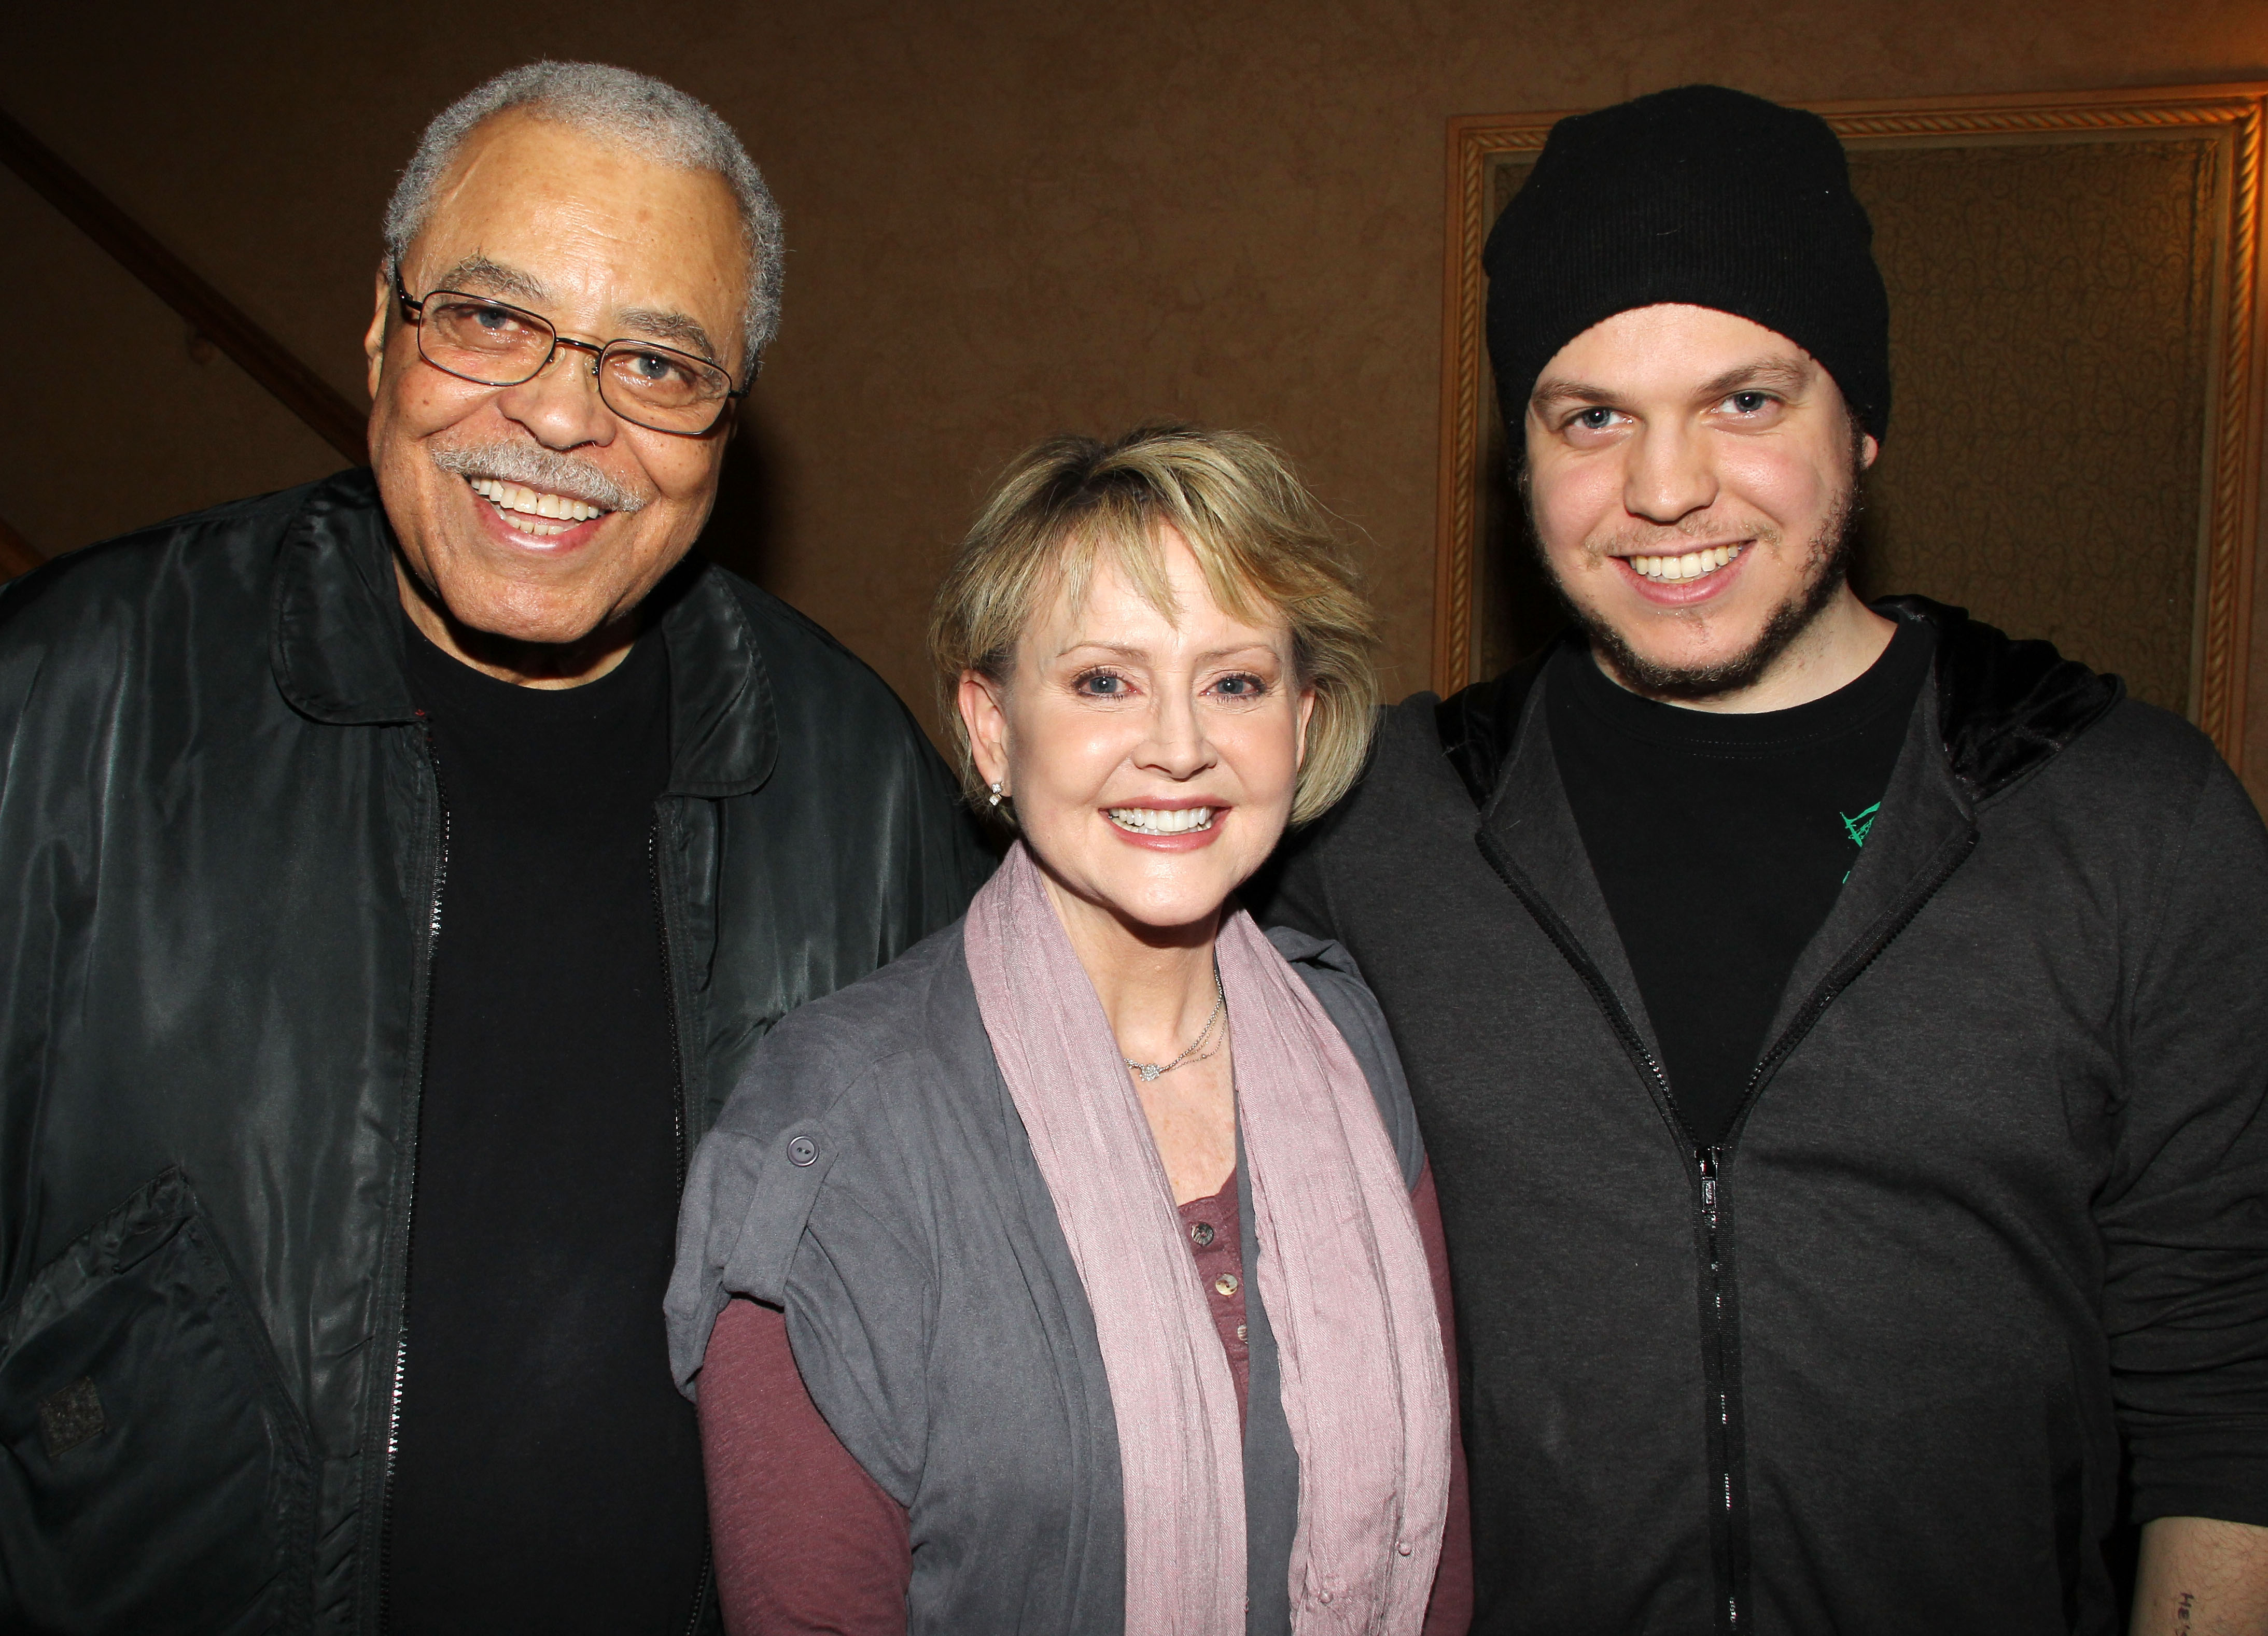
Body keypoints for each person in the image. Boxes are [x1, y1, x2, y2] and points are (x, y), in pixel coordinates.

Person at [1255, 85, 2268, 1635]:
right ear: (1518, 453)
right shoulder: (1374, 823)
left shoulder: (2127, 819)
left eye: (1744, 400)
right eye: (1589, 414)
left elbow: (2221, 1385)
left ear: (1859, 419)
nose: (1662, 489)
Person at [0, 61, 987, 1633]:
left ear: (728, 418)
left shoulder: (853, 769)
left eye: (656, 361)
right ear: (382, 329)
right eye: (488, 318)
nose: (558, 414)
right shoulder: (73, 696)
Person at [666, 424, 1473, 1634]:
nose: (1180, 746)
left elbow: (1442, 1559)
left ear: (1303, 725)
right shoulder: (832, 1132)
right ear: (992, 727)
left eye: (1235, 682)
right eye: (1105, 680)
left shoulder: (1352, 1042)